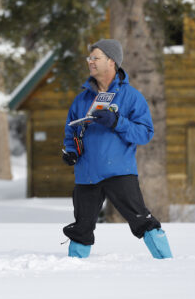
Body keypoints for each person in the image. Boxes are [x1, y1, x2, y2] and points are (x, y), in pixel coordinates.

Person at [61, 39, 172, 259]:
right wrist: (71, 151)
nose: (90, 62)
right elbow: (70, 132)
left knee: (141, 219)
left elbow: (145, 133)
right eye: (89, 58)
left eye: (96, 58)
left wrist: (116, 122)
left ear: (112, 61)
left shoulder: (131, 97)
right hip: (87, 173)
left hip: (118, 171)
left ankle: (166, 261)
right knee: (82, 227)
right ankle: (73, 270)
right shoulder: (81, 99)